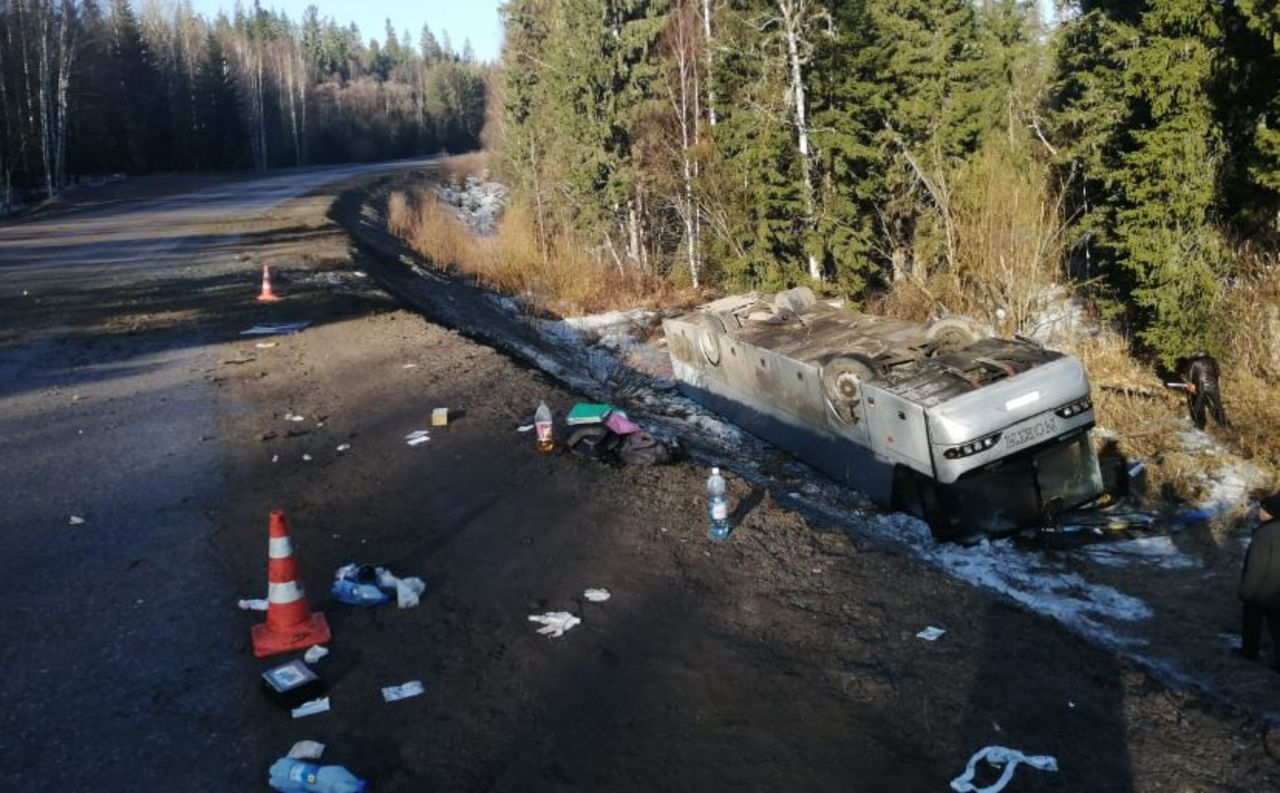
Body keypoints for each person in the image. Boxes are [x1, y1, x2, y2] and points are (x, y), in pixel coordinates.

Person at [1238, 492, 1280, 669]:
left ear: (1270, 512)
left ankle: (1249, 652)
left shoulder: (1264, 534)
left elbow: (1256, 567)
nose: (1259, 511)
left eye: (1262, 509)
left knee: (1252, 622)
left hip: (1261, 591)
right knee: (1277, 626)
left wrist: (1246, 592)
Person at [1178, 353, 1229, 429]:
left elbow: (1190, 377)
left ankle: (1200, 425)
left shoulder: (1193, 362)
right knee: (1218, 405)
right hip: (1213, 386)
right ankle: (1225, 424)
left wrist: (1190, 386)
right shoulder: (1212, 361)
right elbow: (1217, 373)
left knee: (1199, 406)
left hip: (1200, 387)